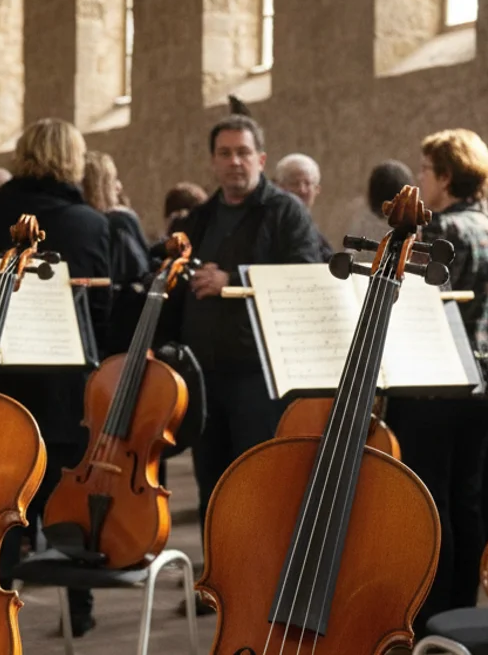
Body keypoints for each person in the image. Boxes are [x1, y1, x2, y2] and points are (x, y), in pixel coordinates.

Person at [0, 118, 110, 637]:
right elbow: (104, 313)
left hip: (0, 382)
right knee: (64, 499)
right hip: (67, 387)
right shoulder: (91, 223)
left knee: (1, 498)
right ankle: (79, 609)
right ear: (73, 159)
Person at [163, 114, 323, 611]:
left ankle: (260, 587)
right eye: (224, 153)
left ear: (261, 158)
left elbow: (305, 273)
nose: (234, 162)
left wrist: (233, 278)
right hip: (205, 375)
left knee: (256, 484)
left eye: (242, 152)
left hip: (259, 373)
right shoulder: (200, 218)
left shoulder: (286, 212)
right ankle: (219, 585)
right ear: (213, 161)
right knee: (212, 486)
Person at [384, 128, 488, 634]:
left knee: (429, 502)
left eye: (424, 170)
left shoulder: (447, 231)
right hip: (482, 384)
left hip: (435, 384)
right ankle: (461, 608)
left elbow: (412, 309)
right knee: (466, 499)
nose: (419, 178)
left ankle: (431, 612)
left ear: (446, 176)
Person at [81, 150, 151, 353]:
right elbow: (139, 272)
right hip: (120, 331)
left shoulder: (81, 226)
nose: (119, 187)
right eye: (113, 180)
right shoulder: (120, 221)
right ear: (99, 185)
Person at [275, 153, 332, 260]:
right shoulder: (274, 226)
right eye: (294, 183)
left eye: (307, 183)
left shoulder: (315, 233)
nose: (302, 190)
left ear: (317, 189)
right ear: (279, 187)